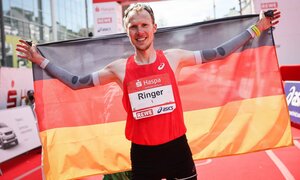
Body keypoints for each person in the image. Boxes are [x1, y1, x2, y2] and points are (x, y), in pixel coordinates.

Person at [16, 3, 280, 180]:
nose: (139, 31)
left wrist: (257, 28)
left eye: (144, 25)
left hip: (178, 149)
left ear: (154, 28)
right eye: (133, 27)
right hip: (143, 156)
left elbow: (219, 52)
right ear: (127, 32)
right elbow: (76, 81)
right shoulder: (119, 69)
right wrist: (41, 61)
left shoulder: (174, 58)